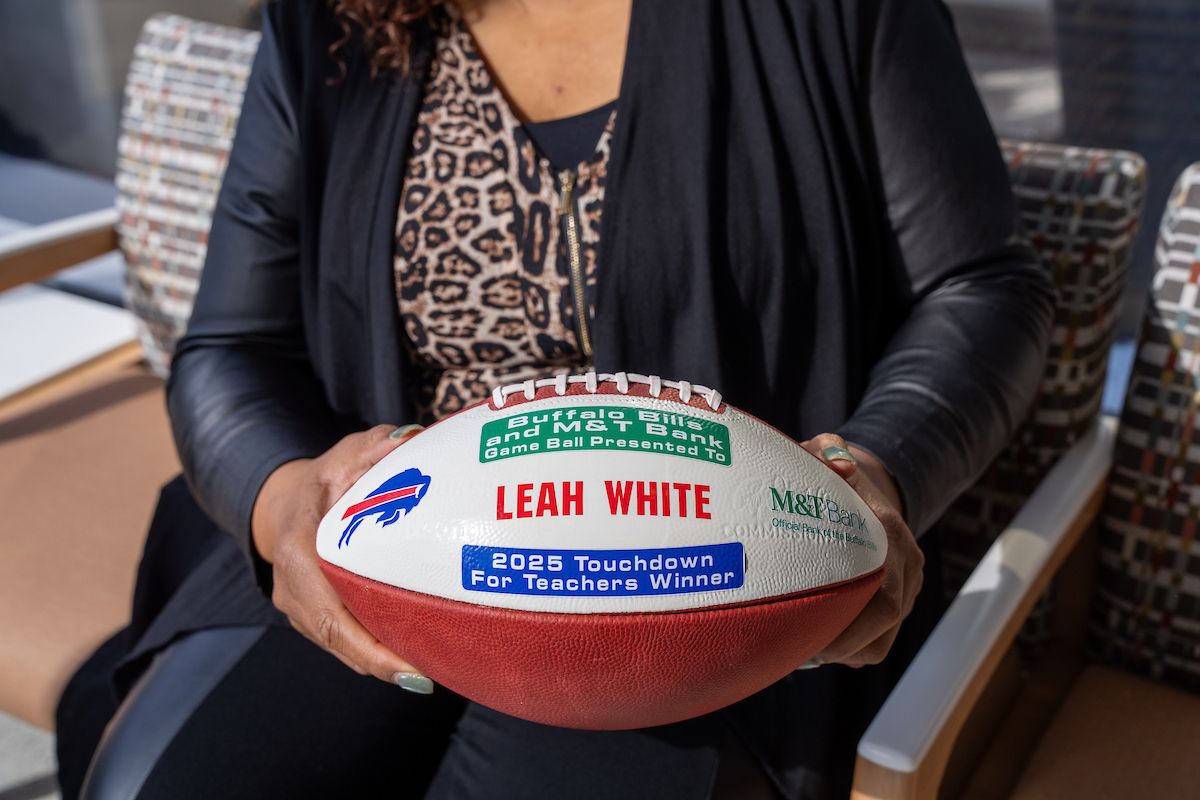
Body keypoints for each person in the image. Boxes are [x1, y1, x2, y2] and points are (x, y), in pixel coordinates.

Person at [55, 0, 1054, 798]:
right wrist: (284, 501)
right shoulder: (330, 19)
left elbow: (984, 289)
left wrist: (874, 469)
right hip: (385, 541)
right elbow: (231, 347)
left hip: (696, 584)